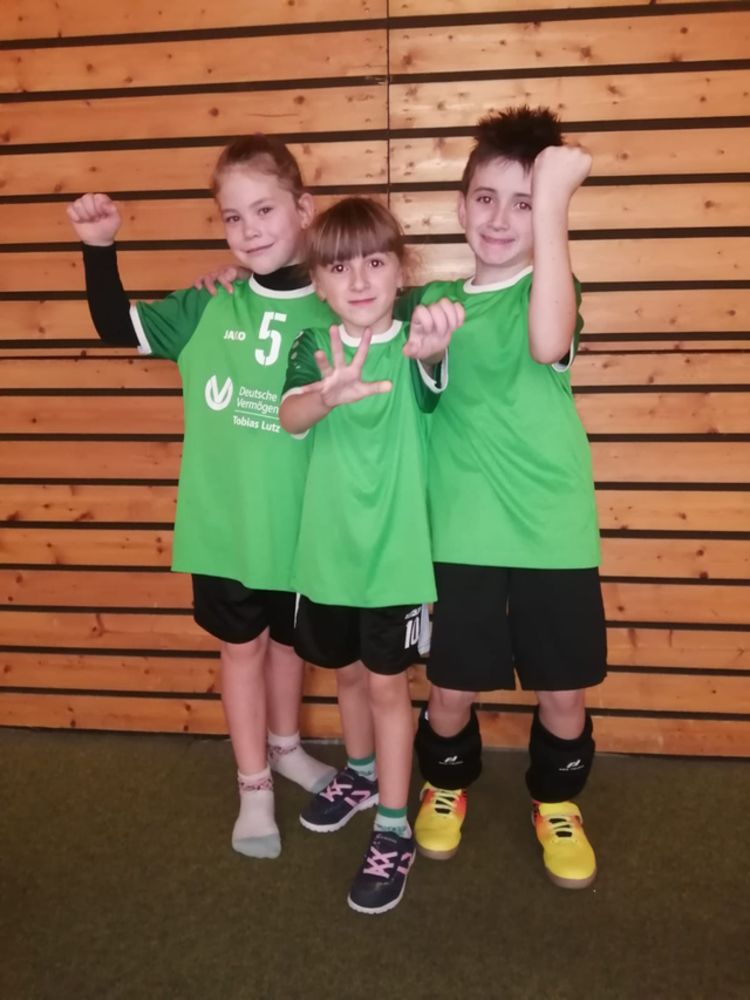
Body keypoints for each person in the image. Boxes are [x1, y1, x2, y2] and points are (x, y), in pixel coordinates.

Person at [65, 136, 340, 860]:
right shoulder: (206, 303)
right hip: (227, 528)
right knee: (242, 650)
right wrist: (99, 248)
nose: (249, 230)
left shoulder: (341, 303)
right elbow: (115, 325)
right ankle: (253, 786)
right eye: (233, 217)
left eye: (264, 210)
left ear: (303, 209)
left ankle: (287, 749)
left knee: (291, 647)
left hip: (304, 526)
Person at [403, 107, 607, 889]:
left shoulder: (553, 287)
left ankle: (556, 803)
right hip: (462, 532)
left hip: (553, 530)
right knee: (451, 688)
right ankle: (445, 784)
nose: (499, 219)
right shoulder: (433, 299)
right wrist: (428, 353)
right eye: (486, 198)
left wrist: (554, 202)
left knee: (563, 690)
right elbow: (346, 297)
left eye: (523, 203)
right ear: (460, 208)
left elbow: (547, 341)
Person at [279, 197, 463, 913]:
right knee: (347, 673)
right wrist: (327, 395)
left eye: (375, 262)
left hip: (396, 561)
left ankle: (393, 825)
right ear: (317, 282)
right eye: (338, 267)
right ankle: (359, 773)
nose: (358, 280)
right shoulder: (312, 345)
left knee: (389, 689)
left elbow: (435, 372)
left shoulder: (417, 345)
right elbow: (291, 416)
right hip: (326, 558)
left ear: (400, 272)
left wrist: (434, 349)